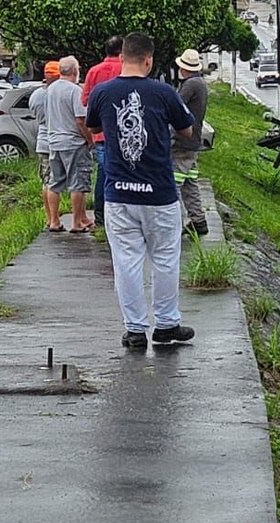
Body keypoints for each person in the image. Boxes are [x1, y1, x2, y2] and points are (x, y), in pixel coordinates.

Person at [85, 31, 196, 349]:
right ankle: (166, 325)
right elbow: (186, 129)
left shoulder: (103, 92)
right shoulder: (163, 92)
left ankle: (135, 331)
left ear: (121, 57)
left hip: (118, 193)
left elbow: (93, 126)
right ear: (148, 60)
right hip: (159, 193)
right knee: (164, 259)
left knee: (126, 261)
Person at [47, 56, 94, 233]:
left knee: (55, 183)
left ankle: (54, 221)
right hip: (73, 142)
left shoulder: (51, 89)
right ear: (75, 71)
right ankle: (76, 223)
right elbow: (80, 119)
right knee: (78, 183)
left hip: (54, 142)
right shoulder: (74, 91)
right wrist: (90, 140)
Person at [82, 35, 123, 228]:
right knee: (124, 173)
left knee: (103, 173)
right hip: (125, 134)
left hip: (100, 133)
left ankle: (100, 216)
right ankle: (120, 217)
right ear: (122, 52)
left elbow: (84, 100)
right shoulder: (125, 69)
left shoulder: (93, 72)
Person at [173, 48, 209, 237]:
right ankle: (198, 220)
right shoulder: (200, 83)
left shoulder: (190, 85)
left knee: (174, 183)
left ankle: (174, 224)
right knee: (189, 182)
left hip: (182, 141)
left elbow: (175, 106)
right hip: (194, 141)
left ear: (183, 68)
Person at [29, 61, 63, 231]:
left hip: (42, 142)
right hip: (58, 141)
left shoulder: (35, 95)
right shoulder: (58, 94)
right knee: (57, 183)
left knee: (46, 181)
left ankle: (49, 218)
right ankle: (56, 220)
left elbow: (34, 115)